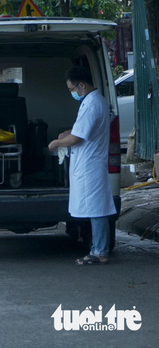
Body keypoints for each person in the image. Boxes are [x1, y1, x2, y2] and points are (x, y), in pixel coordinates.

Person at [48, 66, 116, 265]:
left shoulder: (93, 104)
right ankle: (97, 249)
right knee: (96, 209)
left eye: (72, 89)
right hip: (89, 163)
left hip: (90, 165)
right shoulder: (93, 101)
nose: (72, 93)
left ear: (82, 85)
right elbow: (81, 129)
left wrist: (57, 143)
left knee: (97, 210)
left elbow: (76, 138)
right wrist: (68, 132)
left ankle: (100, 251)